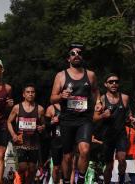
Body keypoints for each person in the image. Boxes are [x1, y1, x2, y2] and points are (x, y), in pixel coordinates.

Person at [50, 43, 100, 184]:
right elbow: (52, 97)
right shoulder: (61, 76)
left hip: (84, 119)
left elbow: (96, 90)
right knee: (67, 156)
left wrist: (98, 103)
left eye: (79, 53)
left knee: (84, 150)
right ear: (69, 59)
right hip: (67, 119)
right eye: (73, 53)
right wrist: (61, 96)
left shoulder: (90, 75)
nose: (76, 55)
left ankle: (81, 179)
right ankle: (66, 180)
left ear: (82, 57)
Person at [93, 73, 131, 183]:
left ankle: (122, 180)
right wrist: (102, 116)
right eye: (111, 82)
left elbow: (128, 114)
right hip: (107, 136)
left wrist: (130, 119)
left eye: (116, 81)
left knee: (122, 159)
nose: (114, 83)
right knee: (109, 166)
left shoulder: (125, 98)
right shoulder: (102, 99)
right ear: (106, 84)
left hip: (121, 135)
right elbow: (94, 118)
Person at [7, 84, 45, 184]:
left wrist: (42, 127)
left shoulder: (40, 109)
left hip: (34, 142)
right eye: (28, 92)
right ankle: (20, 179)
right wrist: (13, 135)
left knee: (32, 169)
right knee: (22, 166)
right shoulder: (17, 108)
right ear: (24, 94)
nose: (30, 94)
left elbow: (43, 124)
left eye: (32, 92)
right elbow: (9, 122)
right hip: (21, 141)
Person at [45, 103, 62, 184]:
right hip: (56, 140)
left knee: (71, 165)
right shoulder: (51, 108)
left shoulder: (71, 105)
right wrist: (52, 122)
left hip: (68, 139)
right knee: (56, 168)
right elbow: (46, 126)